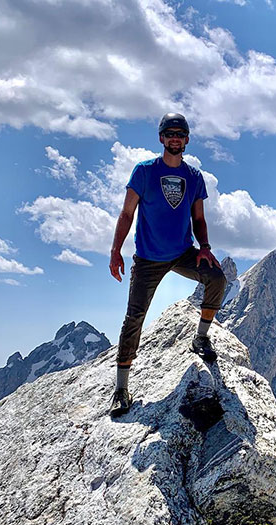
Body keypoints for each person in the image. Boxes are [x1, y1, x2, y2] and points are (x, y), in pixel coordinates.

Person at [108, 112, 226, 417]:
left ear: (186, 140)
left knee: (217, 279)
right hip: (148, 258)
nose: (175, 138)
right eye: (170, 133)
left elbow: (198, 218)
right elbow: (126, 214)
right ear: (162, 138)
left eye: (180, 134)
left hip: (183, 252)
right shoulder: (144, 172)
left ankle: (201, 337)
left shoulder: (194, 177)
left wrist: (206, 248)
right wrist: (115, 250)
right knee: (134, 316)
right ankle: (121, 388)